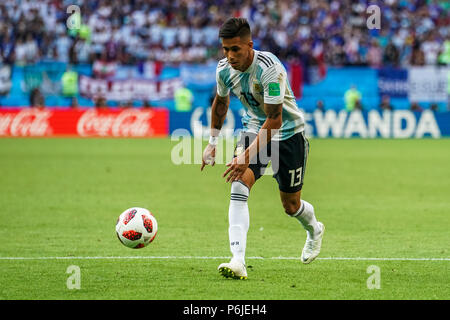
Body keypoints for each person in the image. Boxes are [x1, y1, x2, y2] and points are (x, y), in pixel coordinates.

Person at [200, 18, 324, 280]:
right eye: (225, 49)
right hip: (254, 128)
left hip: (288, 135)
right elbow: (220, 104)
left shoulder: (270, 69)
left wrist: (245, 156)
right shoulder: (223, 70)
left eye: (236, 49)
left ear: (249, 45)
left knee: (291, 206)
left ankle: (314, 229)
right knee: (238, 184)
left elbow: (276, 119)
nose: (230, 56)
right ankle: (238, 260)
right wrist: (212, 143)